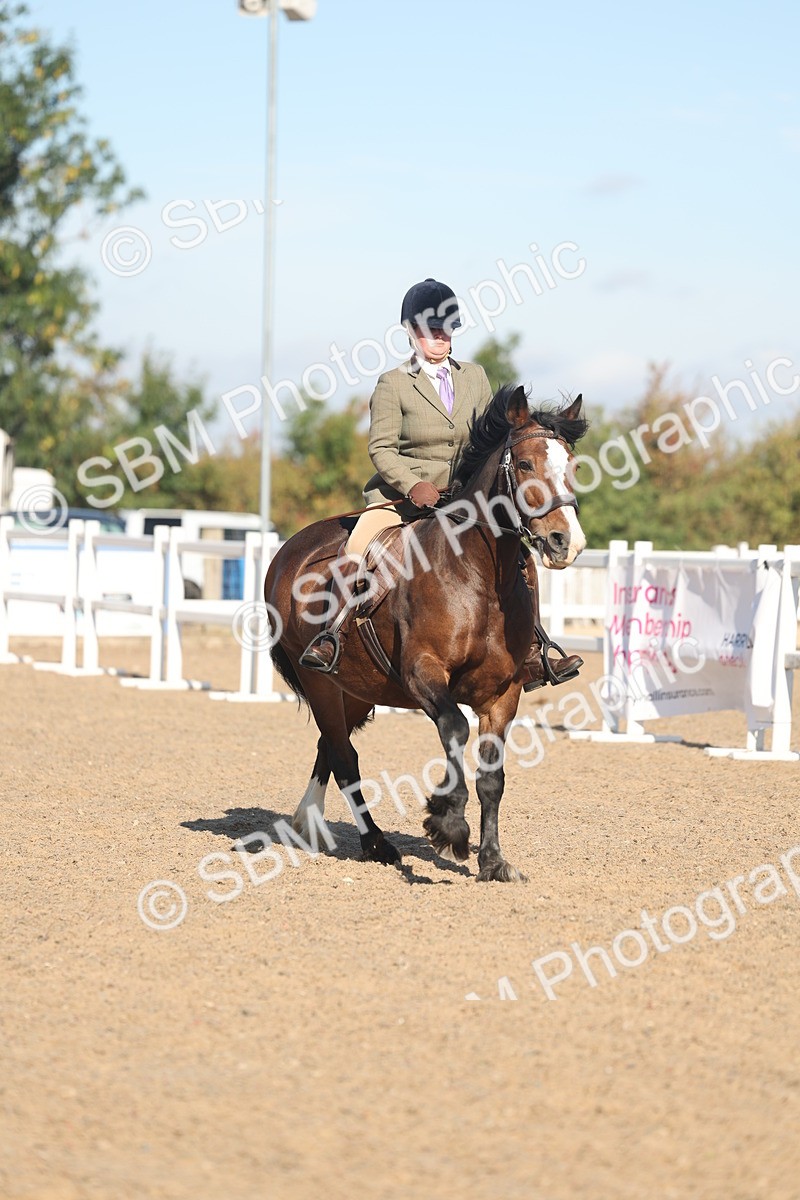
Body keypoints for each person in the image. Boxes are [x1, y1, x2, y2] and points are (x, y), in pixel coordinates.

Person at [299, 278, 582, 691]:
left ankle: (535, 652)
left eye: (445, 329)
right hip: (403, 500)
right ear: (411, 332)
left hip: (465, 500)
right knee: (359, 548)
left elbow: (490, 439)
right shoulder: (393, 383)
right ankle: (332, 637)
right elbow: (381, 447)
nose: (439, 338)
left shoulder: (475, 377)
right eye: (430, 330)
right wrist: (414, 485)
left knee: (520, 559)